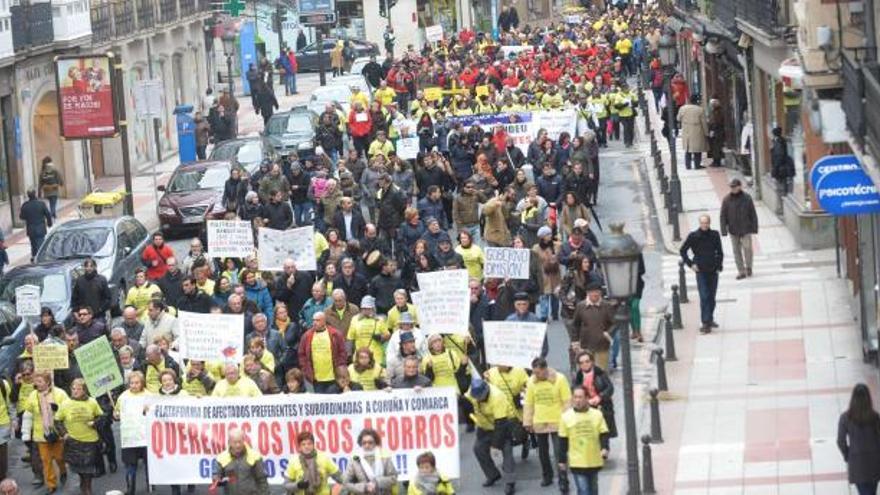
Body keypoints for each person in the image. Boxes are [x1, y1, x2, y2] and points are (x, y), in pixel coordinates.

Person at [524, 357, 571, 490]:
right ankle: (547, 476)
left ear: (545, 369)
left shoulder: (560, 379)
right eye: (534, 372)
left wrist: (567, 420)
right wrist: (528, 421)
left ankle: (563, 478)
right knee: (542, 453)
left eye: (538, 372)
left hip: (557, 421)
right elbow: (529, 403)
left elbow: (567, 401)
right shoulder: (531, 382)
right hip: (539, 422)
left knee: (559, 452)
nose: (535, 375)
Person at [466, 378, 517, 495]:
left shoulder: (497, 397)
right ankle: (492, 475)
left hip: (504, 424)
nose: (478, 399)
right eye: (476, 397)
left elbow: (500, 424)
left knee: (506, 450)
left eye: (481, 397)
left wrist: (495, 445)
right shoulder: (472, 391)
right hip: (485, 425)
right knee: (478, 449)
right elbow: (465, 400)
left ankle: (510, 482)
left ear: (486, 390)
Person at [55, 378, 104, 495]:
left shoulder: (92, 402)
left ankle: (87, 488)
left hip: (90, 440)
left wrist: (94, 422)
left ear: (84, 390)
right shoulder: (65, 403)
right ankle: (83, 483)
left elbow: (101, 417)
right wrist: (64, 434)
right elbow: (57, 421)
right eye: (73, 388)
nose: (75, 391)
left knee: (89, 468)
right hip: (74, 441)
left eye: (79, 389)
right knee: (79, 468)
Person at [558, 386, 610, 495]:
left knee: (594, 489)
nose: (577, 400)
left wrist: (605, 448)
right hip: (577, 462)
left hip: (593, 460)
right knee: (584, 491)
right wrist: (562, 461)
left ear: (587, 398)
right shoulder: (566, 417)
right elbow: (563, 440)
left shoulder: (597, 414)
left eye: (580, 397)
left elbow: (604, 433)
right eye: (575, 397)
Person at [24, 370, 69, 494]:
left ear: (48, 382)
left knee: (60, 457)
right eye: (36, 381)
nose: (37, 383)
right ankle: (51, 484)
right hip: (41, 434)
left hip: (57, 433)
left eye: (40, 381)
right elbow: (27, 413)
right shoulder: (33, 395)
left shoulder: (59, 393)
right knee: (46, 460)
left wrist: (58, 408)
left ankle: (63, 470)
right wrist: (26, 432)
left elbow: (68, 410)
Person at [680, 214, 724, 333]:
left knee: (711, 297)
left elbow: (720, 251)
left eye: (706, 223)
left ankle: (709, 319)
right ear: (699, 224)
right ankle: (705, 323)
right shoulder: (694, 236)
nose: (704, 225)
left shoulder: (715, 235)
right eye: (702, 223)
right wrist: (690, 264)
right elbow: (682, 250)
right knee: (704, 296)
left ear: (709, 223)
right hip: (701, 271)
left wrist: (719, 265)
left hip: (713, 270)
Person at [837, 383, 880, 495]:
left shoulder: (845, 417)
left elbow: (840, 440)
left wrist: (848, 455)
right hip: (874, 462)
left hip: (857, 463)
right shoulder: (875, 417)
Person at [114, 371, 150, 495]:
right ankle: (130, 487)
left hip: (146, 437)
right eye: (131, 383)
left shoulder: (149, 395)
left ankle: (150, 484)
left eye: (137, 383)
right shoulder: (123, 397)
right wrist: (116, 414)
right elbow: (117, 413)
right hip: (130, 437)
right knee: (130, 464)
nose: (134, 385)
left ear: (142, 383)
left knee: (148, 463)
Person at [297, 312, 347, 393]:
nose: (314, 323)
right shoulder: (306, 336)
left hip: (334, 377)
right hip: (316, 379)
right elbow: (301, 354)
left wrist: (340, 366)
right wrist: (305, 369)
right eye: (313, 320)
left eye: (317, 320)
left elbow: (342, 352)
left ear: (324, 321)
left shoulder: (335, 334)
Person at [719, 178, 758, 279]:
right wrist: (723, 230)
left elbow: (752, 213)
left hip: (745, 228)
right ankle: (741, 271)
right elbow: (723, 215)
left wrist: (754, 228)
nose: (733, 189)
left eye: (734, 187)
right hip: (733, 229)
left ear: (740, 187)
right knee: (736, 251)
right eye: (731, 187)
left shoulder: (747, 198)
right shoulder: (727, 200)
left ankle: (748, 266)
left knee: (747, 249)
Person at [571, 283, 616, 370]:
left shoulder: (607, 306)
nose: (595, 294)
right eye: (593, 292)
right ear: (588, 293)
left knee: (601, 371)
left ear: (601, 293)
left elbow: (615, 323)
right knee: (586, 371)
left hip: (602, 345)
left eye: (597, 292)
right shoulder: (581, 306)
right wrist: (575, 341)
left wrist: (608, 334)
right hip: (585, 345)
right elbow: (575, 325)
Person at [210, 428, 269, 495]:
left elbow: (262, 480)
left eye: (240, 442)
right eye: (235, 442)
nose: (238, 445)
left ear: (244, 440)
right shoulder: (221, 458)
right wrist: (216, 478)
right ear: (229, 442)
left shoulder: (255, 456)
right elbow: (216, 476)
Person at [283, 430, 344, 495]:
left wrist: (335, 491)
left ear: (313, 444)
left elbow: (342, 479)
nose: (306, 446)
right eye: (303, 444)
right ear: (299, 447)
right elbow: (286, 485)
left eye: (309, 443)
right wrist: (298, 485)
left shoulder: (324, 458)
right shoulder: (293, 461)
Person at [342, 428, 398, 494]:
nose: (367, 445)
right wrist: (365, 487)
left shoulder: (385, 457)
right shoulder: (354, 460)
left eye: (370, 442)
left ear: (375, 443)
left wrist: (377, 483)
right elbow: (346, 483)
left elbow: (393, 478)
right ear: (361, 444)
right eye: (364, 443)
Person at [19, 190, 52, 261]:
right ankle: (40, 258)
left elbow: (21, 217)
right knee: (40, 244)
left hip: (31, 228)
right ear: (35, 194)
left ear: (28, 196)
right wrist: (49, 223)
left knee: (33, 244)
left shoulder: (25, 205)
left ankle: (34, 256)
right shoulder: (41, 204)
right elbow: (48, 214)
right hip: (40, 228)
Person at [677, 94, 708, 170]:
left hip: (686, 131)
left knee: (688, 150)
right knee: (697, 150)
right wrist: (706, 133)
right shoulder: (700, 110)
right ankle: (697, 165)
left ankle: (688, 165)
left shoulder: (683, 108)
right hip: (697, 132)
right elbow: (704, 123)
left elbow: (678, 118)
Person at [770, 126, 795, 195]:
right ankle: (783, 193)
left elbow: (779, 156)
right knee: (781, 183)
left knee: (781, 184)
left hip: (780, 167)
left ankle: (783, 195)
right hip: (781, 166)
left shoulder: (778, 142)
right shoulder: (780, 141)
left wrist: (775, 168)